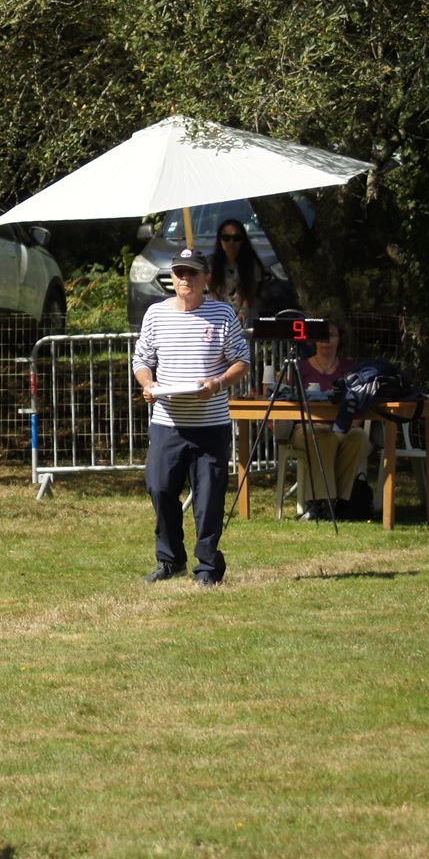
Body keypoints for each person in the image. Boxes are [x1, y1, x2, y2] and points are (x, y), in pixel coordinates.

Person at [133, 247, 251, 587]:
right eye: (179, 272)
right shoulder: (155, 314)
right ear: (172, 277)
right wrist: (148, 384)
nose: (184, 278)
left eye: (192, 272)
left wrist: (217, 383)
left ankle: (209, 567)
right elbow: (141, 359)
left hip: (210, 424)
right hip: (167, 422)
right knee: (160, 489)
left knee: (208, 499)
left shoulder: (223, 314)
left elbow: (241, 361)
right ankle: (170, 560)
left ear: (205, 278)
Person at [281, 320, 373, 520]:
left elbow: (360, 400)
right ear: (314, 340)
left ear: (340, 339)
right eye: (322, 336)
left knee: (359, 437)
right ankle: (320, 504)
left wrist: (353, 421)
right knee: (323, 436)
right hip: (305, 429)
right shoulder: (300, 368)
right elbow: (285, 398)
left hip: (341, 429)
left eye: (331, 335)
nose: (326, 341)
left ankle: (334, 503)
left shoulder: (350, 368)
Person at [210, 218, 264, 329]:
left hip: (246, 320)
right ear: (220, 240)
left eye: (236, 238)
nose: (231, 242)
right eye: (226, 238)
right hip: (220, 319)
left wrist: (240, 319)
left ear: (243, 240)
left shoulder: (252, 265)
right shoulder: (212, 265)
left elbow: (249, 297)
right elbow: (214, 296)